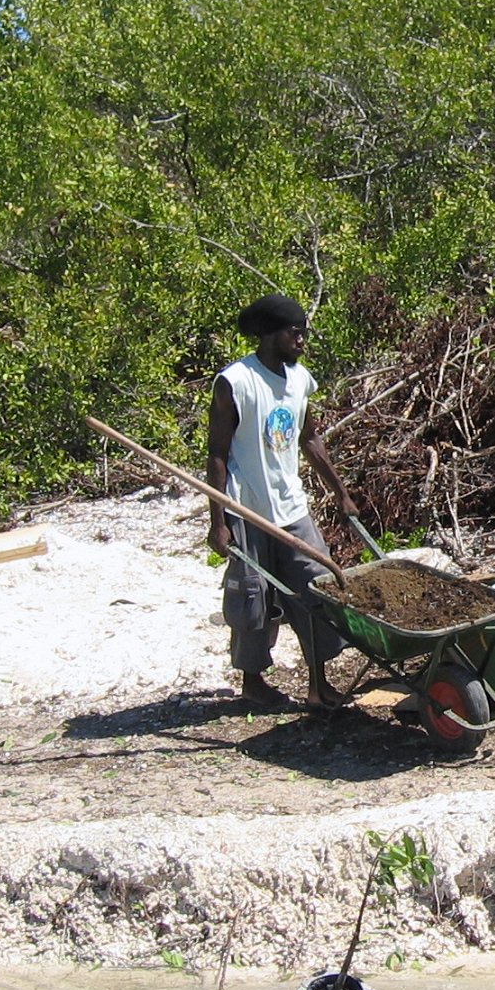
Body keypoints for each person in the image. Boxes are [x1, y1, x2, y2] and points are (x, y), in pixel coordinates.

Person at [206, 292, 361, 708]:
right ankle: (253, 683)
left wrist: (341, 493)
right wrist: (218, 521)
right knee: (252, 597)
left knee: (318, 588)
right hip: (248, 507)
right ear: (270, 334)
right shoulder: (235, 383)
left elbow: (310, 439)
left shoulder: (299, 380)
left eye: (304, 333)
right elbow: (217, 453)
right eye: (295, 333)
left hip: (292, 507)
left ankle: (318, 683)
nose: (301, 340)